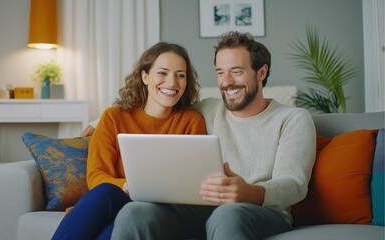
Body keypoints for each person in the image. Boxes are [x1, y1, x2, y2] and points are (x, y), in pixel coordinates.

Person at [82, 31, 317, 240]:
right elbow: (160, 104)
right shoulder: (210, 109)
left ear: (261, 72)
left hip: (263, 211)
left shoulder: (293, 119)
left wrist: (252, 192)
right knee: (136, 211)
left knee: (227, 215)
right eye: (220, 73)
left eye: (236, 72)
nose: (226, 82)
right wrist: (99, 122)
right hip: (203, 207)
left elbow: (294, 184)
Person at [52, 42, 207, 240]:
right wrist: (128, 186)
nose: (172, 82)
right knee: (106, 192)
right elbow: (96, 176)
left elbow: (191, 181)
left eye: (180, 75)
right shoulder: (113, 118)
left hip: (158, 210)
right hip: (115, 199)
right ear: (145, 76)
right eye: (163, 73)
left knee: (112, 230)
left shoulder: (192, 121)